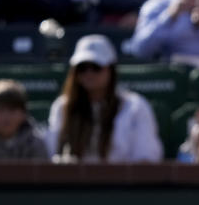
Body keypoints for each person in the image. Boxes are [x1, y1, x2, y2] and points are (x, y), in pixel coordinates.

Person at [47, 34, 163, 162]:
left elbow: (145, 158)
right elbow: (52, 155)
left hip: (123, 181)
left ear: (110, 69)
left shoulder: (135, 107)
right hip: (74, 181)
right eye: (82, 68)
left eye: (96, 67)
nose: (88, 73)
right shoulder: (62, 107)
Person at [0, 79, 48, 160]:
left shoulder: (35, 143)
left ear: (24, 113)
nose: (6, 116)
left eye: (12, 110)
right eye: (0, 110)